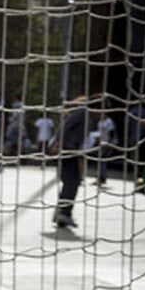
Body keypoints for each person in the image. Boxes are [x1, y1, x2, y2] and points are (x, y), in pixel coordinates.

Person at [50, 96, 90, 229]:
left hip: (69, 148)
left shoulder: (82, 113)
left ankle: (61, 213)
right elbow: (66, 127)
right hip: (66, 149)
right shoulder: (83, 112)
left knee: (71, 181)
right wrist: (58, 142)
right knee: (73, 181)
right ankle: (64, 213)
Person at [92, 110, 116, 187]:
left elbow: (111, 134)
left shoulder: (109, 122)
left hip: (107, 144)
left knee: (103, 161)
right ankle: (100, 178)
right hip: (101, 144)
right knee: (99, 161)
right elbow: (98, 133)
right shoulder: (99, 122)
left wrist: (108, 144)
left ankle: (102, 178)